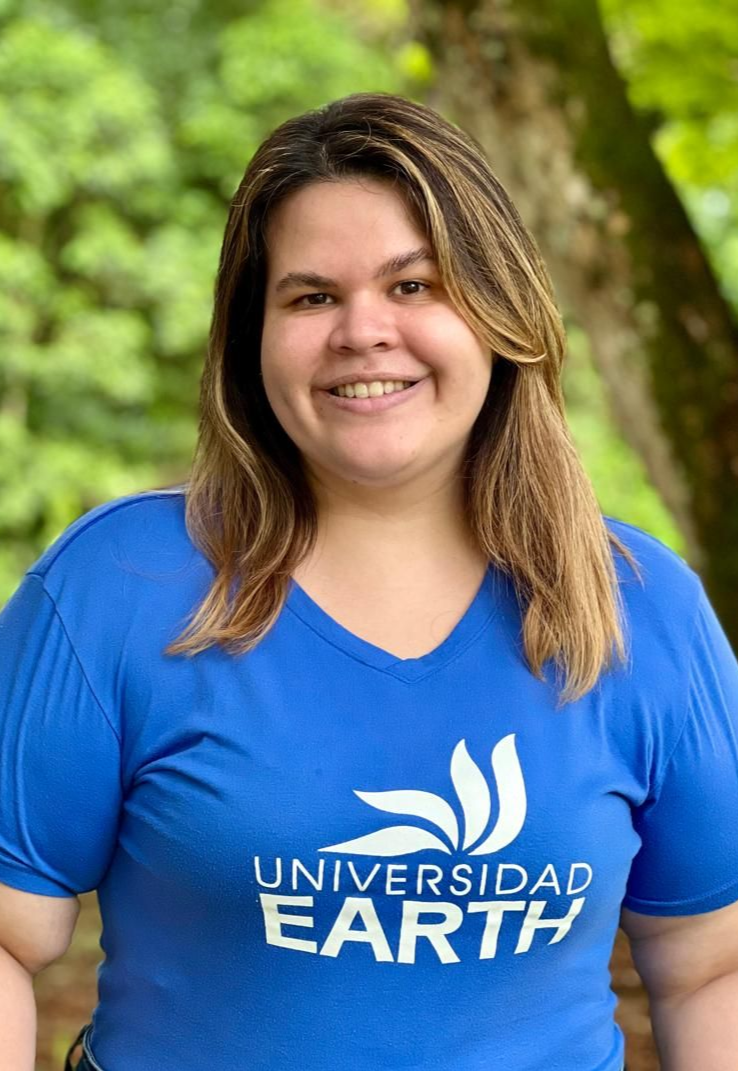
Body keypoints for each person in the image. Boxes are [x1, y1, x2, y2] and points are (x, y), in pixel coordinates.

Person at [0, 91, 736, 1071]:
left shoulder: (646, 608)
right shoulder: (116, 587)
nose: (363, 331)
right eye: (311, 297)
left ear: (499, 311)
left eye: (413, 285)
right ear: (253, 336)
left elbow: (709, 968)